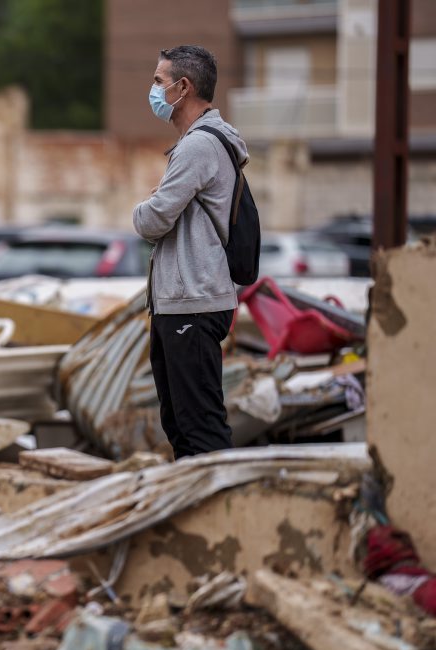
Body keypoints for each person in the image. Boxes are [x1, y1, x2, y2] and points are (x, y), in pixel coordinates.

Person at [132, 45, 248, 460]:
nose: (153, 90)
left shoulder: (199, 146)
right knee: (180, 425)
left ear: (184, 87)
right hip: (179, 304)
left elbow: (153, 219)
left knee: (200, 428)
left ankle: (223, 513)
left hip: (192, 305)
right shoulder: (194, 145)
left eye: (158, 82)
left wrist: (145, 206)